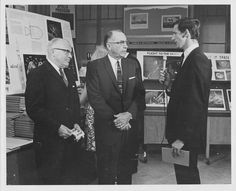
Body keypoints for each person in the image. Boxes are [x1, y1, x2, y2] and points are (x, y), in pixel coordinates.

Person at [86, 29, 145, 184]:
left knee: (126, 173)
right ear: (109, 46)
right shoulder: (95, 66)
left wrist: (128, 115)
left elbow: (139, 95)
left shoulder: (133, 65)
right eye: (120, 42)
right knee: (106, 174)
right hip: (107, 129)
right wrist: (117, 120)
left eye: (126, 42)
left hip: (129, 129)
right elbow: (95, 98)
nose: (125, 45)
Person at [160, 18, 212, 184]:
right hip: (182, 133)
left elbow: (196, 104)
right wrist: (168, 85)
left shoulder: (198, 59)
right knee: (184, 177)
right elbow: (184, 95)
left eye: (174, 33)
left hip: (185, 136)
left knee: (188, 178)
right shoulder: (187, 57)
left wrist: (182, 138)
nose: (172, 37)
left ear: (186, 34)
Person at [25, 38, 84, 184]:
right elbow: (34, 109)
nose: (70, 56)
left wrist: (76, 121)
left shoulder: (68, 74)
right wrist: (56, 127)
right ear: (53, 52)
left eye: (70, 52)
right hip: (49, 143)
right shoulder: (37, 74)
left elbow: (74, 103)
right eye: (66, 52)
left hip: (70, 141)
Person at [124, 52, 147, 173]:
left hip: (134, 107)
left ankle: (133, 164)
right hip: (132, 107)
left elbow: (138, 88)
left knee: (134, 136)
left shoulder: (132, 61)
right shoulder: (131, 60)